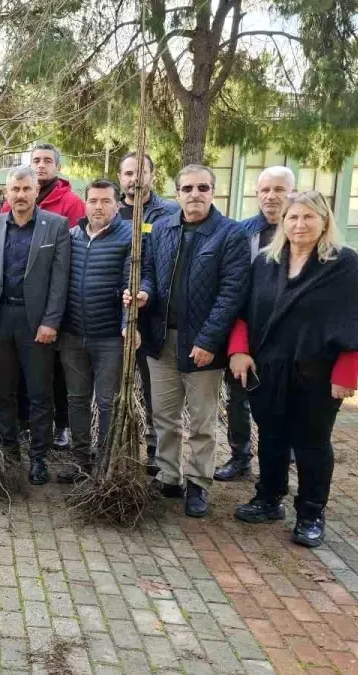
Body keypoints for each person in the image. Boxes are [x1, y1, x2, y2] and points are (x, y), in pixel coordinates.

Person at [229, 191, 358, 547]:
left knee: (312, 443)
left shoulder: (344, 265)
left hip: (318, 373)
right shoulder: (266, 263)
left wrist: (347, 373)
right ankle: (268, 498)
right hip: (269, 369)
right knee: (271, 436)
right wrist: (239, 351)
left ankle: (311, 512)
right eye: (293, 218)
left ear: (325, 221)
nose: (299, 225)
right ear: (282, 222)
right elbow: (242, 313)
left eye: (308, 217)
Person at [127, 164, 249, 518]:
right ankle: (169, 475)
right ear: (177, 192)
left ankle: (198, 482)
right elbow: (148, 272)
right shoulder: (163, 227)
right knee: (164, 415)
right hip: (161, 340)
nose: (195, 195)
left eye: (203, 188)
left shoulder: (230, 235)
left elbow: (231, 294)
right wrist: (145, 294)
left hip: (202, 346)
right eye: (187, 189)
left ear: (213, 192)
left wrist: (210, 339)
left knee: (202, 420)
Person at [0, 166, 71, 485]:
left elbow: (59, 280)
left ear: (36, 191)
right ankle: (8, 450)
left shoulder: (55, 226)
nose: (20, 195)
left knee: (40, 394)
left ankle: (38, 458)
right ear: (6, 193)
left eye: (26, 189)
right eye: (15, 190)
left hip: (36, 323)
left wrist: (51, 321)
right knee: (3, 392)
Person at [214, 165, 296, 482]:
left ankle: (279, 464)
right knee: (237, 398)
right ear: (257, 194)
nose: (271, 196)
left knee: (283, 401)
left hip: (287, 338)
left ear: (292, 191)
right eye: (265, 190)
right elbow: (233, 286)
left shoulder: (302, 230)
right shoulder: (242, 232)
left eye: (279, 189)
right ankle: (240, 456)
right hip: (245, 332)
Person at [56, 180, 132, 483]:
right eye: (92, 201)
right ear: (84, 204)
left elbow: (132, 284)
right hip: (73, 334)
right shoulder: (72, 236)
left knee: (107, 402)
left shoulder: (128, 238)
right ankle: (79, 459)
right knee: (76, 399)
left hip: (109, 337)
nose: (98, 206)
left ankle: (105, 461)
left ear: (117, 206)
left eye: (105, 201)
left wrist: (127, 324)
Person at [117, 151, 181, 475]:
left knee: (154, 388)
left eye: (140, 172)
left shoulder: (169, 213)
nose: (134, 179)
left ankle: (156, 449)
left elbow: (164, 267)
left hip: (151, 313)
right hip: (112, 313)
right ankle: (116, 444)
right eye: (128, 173)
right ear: (120, 178)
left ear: (152, 176)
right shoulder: (110, 212)